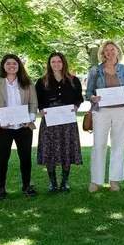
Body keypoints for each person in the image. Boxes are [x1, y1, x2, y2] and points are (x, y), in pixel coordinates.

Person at [0, 55, 39, 199]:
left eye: (14, 63)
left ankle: (27, 185)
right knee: (3, 157)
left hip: (23, 126)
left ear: (19, 65)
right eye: (8, 63)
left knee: (25, 157)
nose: (11, 66)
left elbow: (33, 104)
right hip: (2, 127)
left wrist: (30, 119)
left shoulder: (27, 82)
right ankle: (1, 188)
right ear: (3, 65)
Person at [86, 41, 124, 193]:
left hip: (122, 111)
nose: (110, 52)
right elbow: (89, 92)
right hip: (101, 112)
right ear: (103, 53)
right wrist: (93, 98)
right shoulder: (95, 70)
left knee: (118, 146)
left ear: (118, 51)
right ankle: (96, 181)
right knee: (99, 145)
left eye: (112, 50)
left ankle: (114, 181)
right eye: (106, 50)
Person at [35, 52, 83, 193]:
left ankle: (64, 181)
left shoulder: (74, 80)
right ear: (49, 64)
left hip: (67, 121)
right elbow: (38, 99)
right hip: (50, 120)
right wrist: (41, 109)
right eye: (53, 62)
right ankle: (52, 182)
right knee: (50, 149)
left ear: (64, 63)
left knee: (66, 149)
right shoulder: (41, 81)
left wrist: (76, 105)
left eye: (59, 61)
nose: (56, 64)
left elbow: (79, 97)